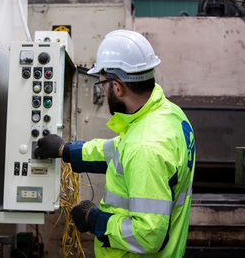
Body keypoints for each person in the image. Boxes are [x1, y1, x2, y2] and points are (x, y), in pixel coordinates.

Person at [34, 30, 196, 257]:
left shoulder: (145, 147)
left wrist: (95, 220)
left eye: (103, 85)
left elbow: (147, 235)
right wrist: (67, 151)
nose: (103, 89)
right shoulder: (169, 115)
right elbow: (120, 151)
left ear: (117, 86)